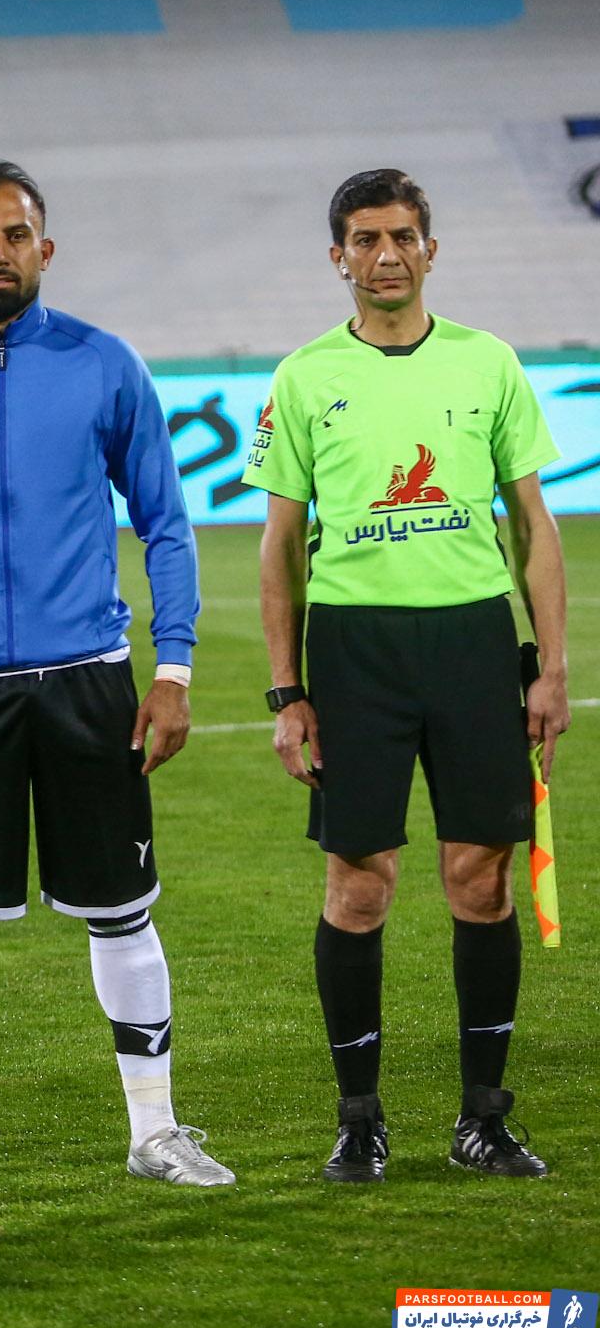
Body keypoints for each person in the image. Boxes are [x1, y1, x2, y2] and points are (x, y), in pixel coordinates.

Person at [0, 161, 233, 1196]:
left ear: (44, 248)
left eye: (14, 235)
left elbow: (165, 523)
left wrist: (174, 668)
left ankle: (153, 1130)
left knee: (122, 910)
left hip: (88, 682)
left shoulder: (104, 364)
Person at [245, 168, 567, 1182]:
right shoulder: (302, 377)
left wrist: (551, 668)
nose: (385, 255)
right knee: (358, 886)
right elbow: (279, 546)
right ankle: (359, 1119)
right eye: (365, 238)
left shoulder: (488, 362)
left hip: (473, 646)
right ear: (336, 256)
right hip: (355, 655)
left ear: (430, 249)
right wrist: (287, 690)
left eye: (402, 236)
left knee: (481, 878)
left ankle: (482, 1118)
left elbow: (533, 526)